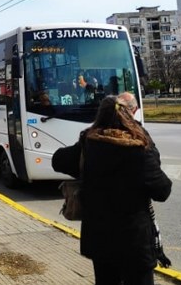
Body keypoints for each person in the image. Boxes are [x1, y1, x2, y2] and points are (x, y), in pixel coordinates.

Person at [52, 92, 172, 285]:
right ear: (132, 114)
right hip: (134, 242)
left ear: (100, 115)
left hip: (99, 240)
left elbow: (58, 160)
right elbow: (163, 190)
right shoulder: (139, 148)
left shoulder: (89, 144)